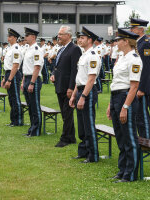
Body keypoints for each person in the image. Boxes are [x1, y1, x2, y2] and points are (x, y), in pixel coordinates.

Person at [106, 28, 142, 182]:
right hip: (116, 96)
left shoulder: (134, 59)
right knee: (120, 137)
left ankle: (131, 173)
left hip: (125, 97)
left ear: (126, 41)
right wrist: (110, 105)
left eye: (118, 40)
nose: (116, 42)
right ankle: (122, 170)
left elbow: (134, 86)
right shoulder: (121, 57)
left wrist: (125, 107)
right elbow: (115, 83)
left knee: (129, 137)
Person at [69, 27, 100, 163]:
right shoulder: (83, 55)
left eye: (82, 38)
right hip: (81, 90)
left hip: (88, 92)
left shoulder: (93, 55)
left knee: (88, 124)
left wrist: (83, 96)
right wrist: (74, 95)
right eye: (79, 38)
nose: (79, 40)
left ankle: (93, 155)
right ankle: (83, 151)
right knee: (81, 125)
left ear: (90, 40)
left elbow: (91, 79)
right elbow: (79, 78)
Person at [50, 25, 82, 147]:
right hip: (59, 84)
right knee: (64, 113)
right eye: (58, 34)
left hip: (67, 86)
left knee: (67, 113)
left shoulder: (74, 49)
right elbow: (57, 66)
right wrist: (53, 74)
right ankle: (71, 136)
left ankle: (65, 138)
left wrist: (71, 87)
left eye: (61, 34)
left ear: (68, 35)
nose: (58, 36)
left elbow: (75, 70)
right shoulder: (61, 49)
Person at [21, 27, 44, 137]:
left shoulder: (36, 50)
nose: (25, 37)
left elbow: (36, 67)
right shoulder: (29, 49)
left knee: (35, 106)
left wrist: (32, 83)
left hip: (33, 79)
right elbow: (26, 68)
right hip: (27, 78)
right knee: (30, 106)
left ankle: (36, 130)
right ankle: (32, 128)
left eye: (27, 35)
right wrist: (23, 82)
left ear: (33, 37)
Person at [130, 18, 150, 139]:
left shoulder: (146, 43)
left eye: (133, 28)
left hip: (145, 86)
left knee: (142, 116)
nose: (131, 30)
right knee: (139, 116)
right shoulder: (138, 42)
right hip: (141, 85)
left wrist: (141, 88)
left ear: (140, 29)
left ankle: (147, 140)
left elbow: (146, 67)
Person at [1, 28, 23, 127]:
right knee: (11, 98)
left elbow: (15, 65)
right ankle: (13, 120)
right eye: (8, 36)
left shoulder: (16, 49)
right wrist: (4, 78)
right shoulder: (10, 48)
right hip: (8, 73)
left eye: (10, 36)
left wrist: (9, 79)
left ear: (15, 37)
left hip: (13, 74)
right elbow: (8, 65)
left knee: (15, 98)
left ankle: (18, 120)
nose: (8, 38)